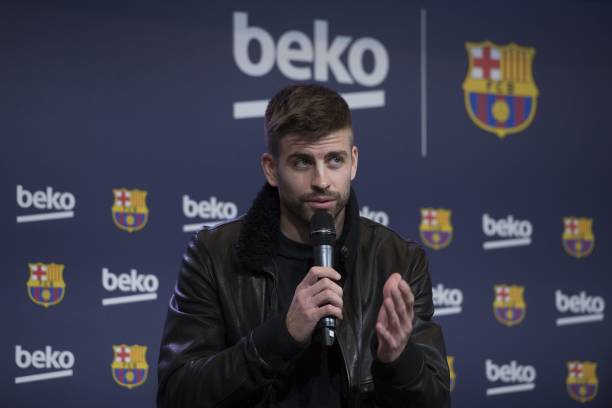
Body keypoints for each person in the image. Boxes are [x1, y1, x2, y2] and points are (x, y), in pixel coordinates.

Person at [157, 84, 450, 407]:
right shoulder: (214, 254)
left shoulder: (399, 259)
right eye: (302, 162)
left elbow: (436, 401)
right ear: (271, 168)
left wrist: (399, 359)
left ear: (353, 162)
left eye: (334, 160)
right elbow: (177, 395)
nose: (321, 180)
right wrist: (281, 335)